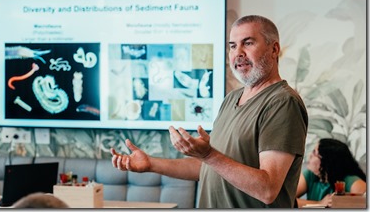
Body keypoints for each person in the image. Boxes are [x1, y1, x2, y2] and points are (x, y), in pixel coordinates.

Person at [111, 15, 308, 208]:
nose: (238, 53)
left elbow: (267, 190)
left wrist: (209, 155)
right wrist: (151, 164)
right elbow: (209, 167)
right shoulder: (232, 98)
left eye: (247, 43)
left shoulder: (282, 102)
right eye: (232, 46)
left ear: (274, 49)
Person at [296, 138, 366, 208]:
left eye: (314, 153)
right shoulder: (310, 174)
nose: (310, 155)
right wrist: (319, 203)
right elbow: (288, 199)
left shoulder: (349, 180)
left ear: (326, 162)